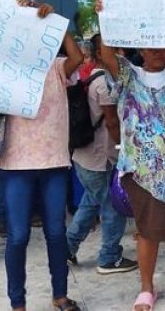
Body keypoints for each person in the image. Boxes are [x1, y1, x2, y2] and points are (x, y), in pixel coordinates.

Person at [96, 0, 165, 310]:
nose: (158, 51)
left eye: (163, 45)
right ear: (141, 50)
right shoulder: (127, 75)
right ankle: (147, 288)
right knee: (147, 233)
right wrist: (105, 17)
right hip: (143, 172)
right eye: (151, 46)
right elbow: (106, 55)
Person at [0, 0, 84, 311]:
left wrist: (56, 21)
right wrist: (16, 17)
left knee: (56, 232)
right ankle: (17, 303)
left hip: (54, 163)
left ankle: (60, 295)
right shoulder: (6, 71)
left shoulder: (56, 67)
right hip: (16, 164)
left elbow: (78, 56)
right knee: (18, 235)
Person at [66, 34, 138, 275]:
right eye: (113, 49)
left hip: (84, 157)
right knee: (113, 207)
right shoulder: (104, 84)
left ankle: (66, 248)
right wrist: (125, 152)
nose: (119, 54)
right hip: (100, 158)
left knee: (90, 203)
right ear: (100, 53)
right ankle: (109, 257)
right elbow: (111, 122)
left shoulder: (90, 76)